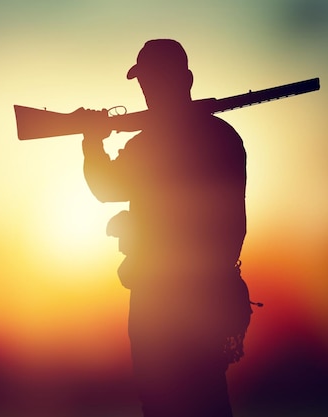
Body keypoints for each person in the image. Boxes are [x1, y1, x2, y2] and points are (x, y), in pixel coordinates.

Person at [81, 39, 253, 417]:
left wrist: (92, 142)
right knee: (199, 397)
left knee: (172, 398)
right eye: (144, 82)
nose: (148, 90)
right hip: (199, 293)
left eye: (154, 81)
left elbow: (107, 188)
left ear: (185, 80)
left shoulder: (152, 144)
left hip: (166, 296)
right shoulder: (222, 136)